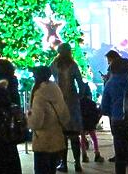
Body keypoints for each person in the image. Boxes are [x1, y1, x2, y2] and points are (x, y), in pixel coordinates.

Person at [28, 66, 69, 174]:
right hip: (56, 137)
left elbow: (37, 121)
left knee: (41, 169)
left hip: (43, 140)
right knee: (51, 170)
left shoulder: (39, 94)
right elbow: (65, 115)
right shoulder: (56, 89)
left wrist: (28, 119)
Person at [52, 43, 86, 171]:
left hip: (59, 101)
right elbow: (81, 83)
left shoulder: (54, 64)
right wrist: (80, 95)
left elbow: (50, 79)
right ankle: (77, 163)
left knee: (62, 135)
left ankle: (64, 163)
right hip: (72, 102)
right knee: (74, 134)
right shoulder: (73, 65)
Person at [101, 50, 128, 174]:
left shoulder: (110, 83)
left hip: (117, 119)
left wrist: (111, 112)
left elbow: (104, 106)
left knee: (119, 152)